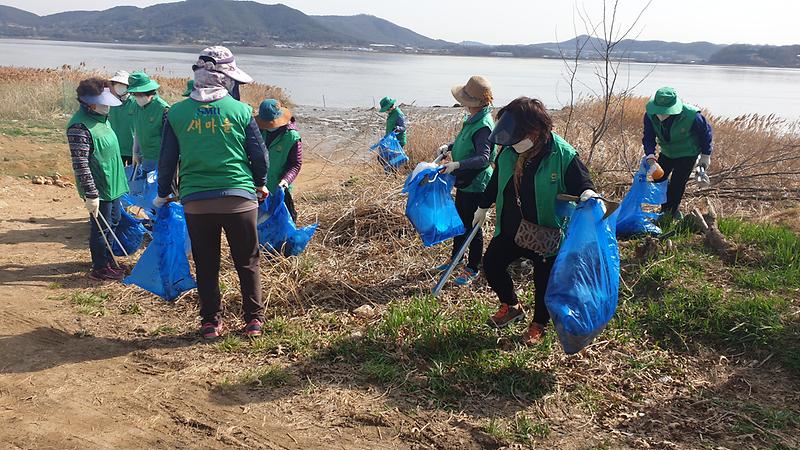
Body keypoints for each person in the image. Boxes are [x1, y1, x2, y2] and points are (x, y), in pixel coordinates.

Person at [155, 46, 268, 340]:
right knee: (247, 261)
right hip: (240, 199)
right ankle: (253, 321)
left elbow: (167, 159)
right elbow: (259, 156)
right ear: (226, 78)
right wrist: (261, 182)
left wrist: (163, 192)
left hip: (196, 202)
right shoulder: (241, 111)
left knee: (206, 264)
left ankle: (210, 322)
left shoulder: (176, 112)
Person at [475, 97, 597, 346]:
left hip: (546, 230)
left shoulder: (562, 154)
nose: (512, 143)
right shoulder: (508, 150)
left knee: (543, 280)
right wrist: (483, 206)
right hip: (511, 226)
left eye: (517, 138)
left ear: (535, 130)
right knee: (492, 263)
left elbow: (583, 183)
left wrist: (588, 194)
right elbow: (496, 180)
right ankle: (511, 305)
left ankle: (538, 324)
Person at [434, 75, 496, 286]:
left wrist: (457, 165)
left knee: (472, 226)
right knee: (460, 222)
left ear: (475, 102)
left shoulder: (484, 125)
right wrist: (450, 147)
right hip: (465, 182)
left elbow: (483, 157)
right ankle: (455, 259)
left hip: (476, 183)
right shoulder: (474, 118)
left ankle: (472, 268)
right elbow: (465, 142)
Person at [66, 78, 129, 281]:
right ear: (89, 103)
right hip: (99, 186)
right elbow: (80, 163)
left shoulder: (103, 120)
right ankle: (100, 267)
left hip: (114, 183)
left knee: (115, 221)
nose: (107, 106)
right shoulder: (79, 127)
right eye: (103, 102)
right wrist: (91, 193)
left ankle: (109, 259)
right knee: (101, 228)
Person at [642, 87, 713, 218]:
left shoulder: (692, 116)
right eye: (659, 111)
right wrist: (650, 155)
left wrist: (705, 156)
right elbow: (648, 137)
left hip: (687, 153)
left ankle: (671, 212)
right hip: (667, 152)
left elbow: (706, 134)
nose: (661, 114)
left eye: (665, 111)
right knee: (659, 178)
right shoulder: (650, 116)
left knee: (678, 183)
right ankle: (666, 208)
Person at [257, 99, 303, 222]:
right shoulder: (258, 132)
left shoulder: (292, 137)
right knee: (260, 224)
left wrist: (286, 180)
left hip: (279, 187)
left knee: (281, 222)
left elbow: (296, 163)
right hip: (258, 188)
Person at [128, 71, 170, 172]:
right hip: (145, 158)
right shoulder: (136, 106)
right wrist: (136, 152)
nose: (137, 97)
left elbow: (170, 139)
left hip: (162, 159)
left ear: (149, 91)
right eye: (134, 94)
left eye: (139, 94)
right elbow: (138, 130)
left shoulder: (163, 109)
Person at [107, 70, 137, 166]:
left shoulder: (135, 103)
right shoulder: (109, 103)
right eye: (116, 84)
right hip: (115, 149)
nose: (119, 87)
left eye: (122, 84)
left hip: (132, 150)